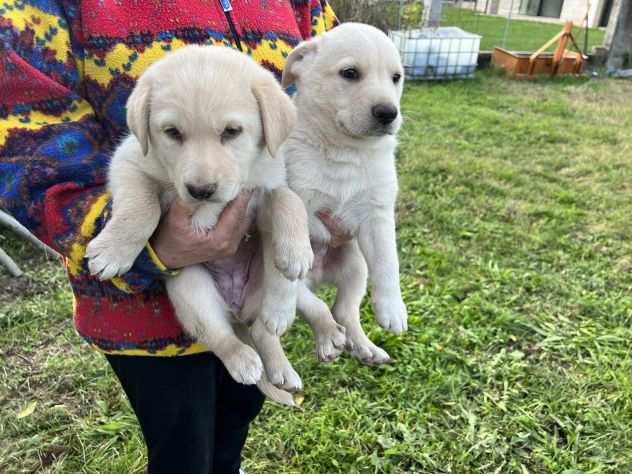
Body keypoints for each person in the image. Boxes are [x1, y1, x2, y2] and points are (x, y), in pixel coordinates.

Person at [0, 1, 345, 472]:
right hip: (142, 309)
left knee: (236, 418)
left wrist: (338, 193)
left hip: (255, 282)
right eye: (173, 134)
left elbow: (337, 87)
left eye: (230, 132)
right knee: (182, 448)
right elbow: (23, 143)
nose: (202, 176)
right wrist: (139, 238)